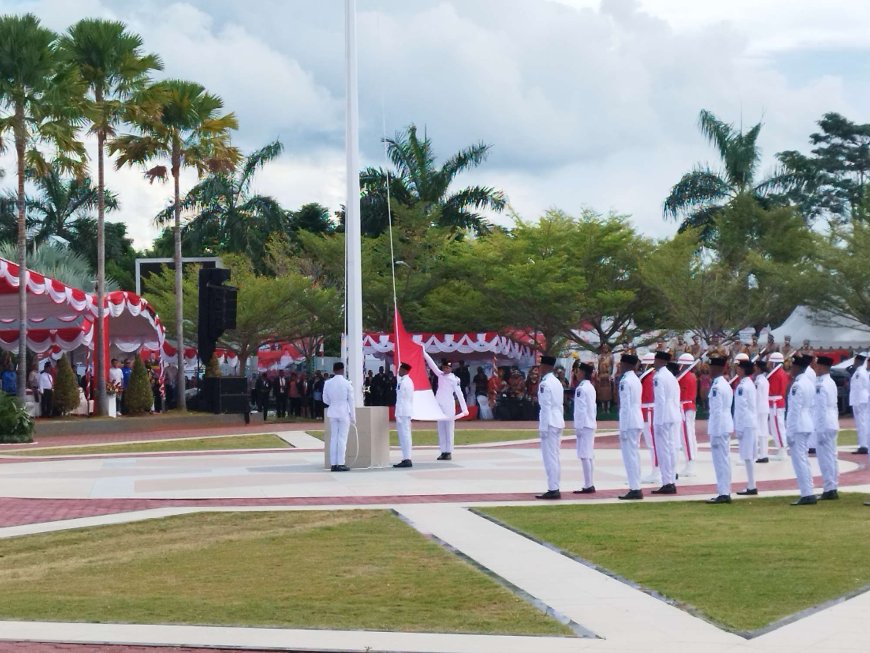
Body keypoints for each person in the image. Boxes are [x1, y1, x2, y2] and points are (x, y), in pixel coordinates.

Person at [422, 352, 468, 460]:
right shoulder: (440, 374)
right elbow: (432, 364)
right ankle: (443, 451)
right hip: (439, 404)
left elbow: (459, 394)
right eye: (444, 367)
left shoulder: (454, 379)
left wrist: (464, 408)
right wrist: (424, 353)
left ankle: (449, 451)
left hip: (448, 405)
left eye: (447, 368)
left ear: (451, 369)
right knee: (441, 428)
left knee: (449, 428)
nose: (445, 369)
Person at [786, 354, 817, 505]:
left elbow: (794, 410)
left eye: (793, 366)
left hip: (798, 425)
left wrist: (790, 432)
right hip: (806, 423)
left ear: (798, 367)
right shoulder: (808, 382)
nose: (791, 369)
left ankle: (807, 493)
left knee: (800, 460)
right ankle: (808, 490)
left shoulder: (797, 385)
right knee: (803, 459)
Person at [651, 351, 680, 495]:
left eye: (655, 360)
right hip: (672, 413)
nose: (653, 363)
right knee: (670, 449)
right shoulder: (670, 376)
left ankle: (667, 482)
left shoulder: (659, 377)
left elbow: (660, 400)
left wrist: (660, 420)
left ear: (659, 361)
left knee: (663, 451)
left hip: (663, 416)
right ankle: (670, 480)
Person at [536, 355, 565, 499]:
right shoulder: (557, 382)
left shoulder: (545, 384)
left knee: (549, 457)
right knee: (555, 456)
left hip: (550, 422)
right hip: (557, 419)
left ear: (546, 367)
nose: (540, 368)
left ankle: (553, 488)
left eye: (541, 366)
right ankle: (555, 486)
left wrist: (543, 427)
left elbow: (545, 407)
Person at [706, 357, 734, 504]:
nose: (709, 370)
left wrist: (715, 433)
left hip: (720, 426)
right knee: (724, 459)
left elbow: (716, 411)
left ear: (718, 369)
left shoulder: (717, 386)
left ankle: (724, 492)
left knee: (720, 460)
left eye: (712, 368)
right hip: (725, 424)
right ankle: (724, 490)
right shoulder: (723, 384)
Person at [617, 354, 644, 500]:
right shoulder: (635, 379)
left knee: (630, 456)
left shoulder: (625, 381)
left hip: (630, 421)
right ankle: (635, 485)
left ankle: (635, 488)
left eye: (621, 364)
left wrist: (624, 428)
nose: (620, 367)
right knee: (634, 454)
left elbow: (625, 406)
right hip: (637, 418)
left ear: (626, 365)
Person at [813, 356, 840, 500]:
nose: (815, 368)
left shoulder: (821, 384)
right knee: (832, 456)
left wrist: (820, 428)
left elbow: (821, 409)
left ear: (822, 367)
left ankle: (829, 488)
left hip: (825, 423)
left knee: (825, 457)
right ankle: (833, 485)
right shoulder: (831, 382)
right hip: (832, 421)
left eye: (817, 366)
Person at [322, 361, 355, 472]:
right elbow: (351, 401)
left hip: (333, 411)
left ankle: (333, 464)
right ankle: (340, 463)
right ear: (342, 370)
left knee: (333, 438)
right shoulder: (347, 383)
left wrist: (333, 403)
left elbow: (325, 399)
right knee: (342, 438)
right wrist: (353, 417)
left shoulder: (328, 383)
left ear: (334, 370)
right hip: (344, 412)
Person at [733, 360, 758, 497]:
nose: (737, 370)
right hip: (749, 422)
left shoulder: (744, 386)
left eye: (739, 368)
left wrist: (739, 427)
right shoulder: (747, 384)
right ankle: (751, 484)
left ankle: (751, 485)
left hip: (746, 422)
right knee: (748, 455)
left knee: (748, 456)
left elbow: (742, 407)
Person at [572, 362, 597, 494]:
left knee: (584, 455)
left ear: (583, 373)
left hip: (585, 424)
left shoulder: (581, 388)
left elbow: (581, 409)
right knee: (588, 454)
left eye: (579, 371)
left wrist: (579, 426)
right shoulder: (590, 387)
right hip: (590, 423)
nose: (577, 374)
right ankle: (589, 482)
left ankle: (588, 484)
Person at [639, 352, 660, 485]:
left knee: (653, 443)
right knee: (652, 443)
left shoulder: (650, 377)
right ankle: (656, 469)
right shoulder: (651, 376)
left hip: (649, 411)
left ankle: (656, 470)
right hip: (647, 409)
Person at [676, 353, 698, 476]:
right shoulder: (688, 376)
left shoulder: (686, 377)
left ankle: (690, 462)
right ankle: (691, 460)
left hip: (685, 407)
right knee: (689, 434)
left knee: (686, 436)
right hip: (687, 406)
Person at [766, 352, 788, 460]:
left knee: (777, 427)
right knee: (776, 427)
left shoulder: (777, 374)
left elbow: (773, 391)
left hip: (775, 403)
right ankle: (781, 448)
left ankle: (782, 450)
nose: (769, 364)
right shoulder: (779, 373)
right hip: (776, 402)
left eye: (770, 362)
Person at [393, 362, 415, 468]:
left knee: (405, 435)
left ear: (405, 371)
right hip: (405, 411)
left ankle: (407, 458)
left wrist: (398, 414)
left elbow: (401, 398)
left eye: (400, 369)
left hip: (403, 412)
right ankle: (406, 457)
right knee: (404, 435)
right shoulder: (407, 381)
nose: (398, 371)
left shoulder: (404, 382)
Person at [848, 352, 869, 455]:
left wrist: (856, 401)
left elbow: (858, 387)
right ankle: (863, 444)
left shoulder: (859, 373)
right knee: (862, 423)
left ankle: (863, 445)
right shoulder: (862, 371)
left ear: (858, 361)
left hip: (859, 400)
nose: (854, 362)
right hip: (861, 399)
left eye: (855, 360)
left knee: (862, 423)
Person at [753, 358, 771, 463]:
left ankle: (760, 454)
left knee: (759, 431)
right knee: (764, 431)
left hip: (759, 408)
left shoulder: (758, 381)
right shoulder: (765, 380)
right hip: (764, 407)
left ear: (759, 368)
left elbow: (756, 396)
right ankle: (764, 454)